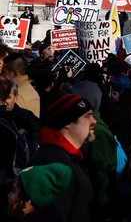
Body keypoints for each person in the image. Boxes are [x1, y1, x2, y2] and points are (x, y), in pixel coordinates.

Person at [31, 94, 96, 222]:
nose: (94, 121)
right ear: (67, 122)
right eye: (87, 116)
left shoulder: (70, 156)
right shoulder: (54, 162)